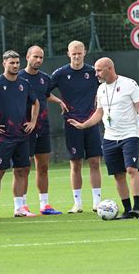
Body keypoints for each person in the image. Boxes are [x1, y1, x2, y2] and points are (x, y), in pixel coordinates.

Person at [68, 57, 139, 219]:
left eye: (98, 70)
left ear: (109, 69)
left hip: (129, 134)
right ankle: (127, 210)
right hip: (110, 137)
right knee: (118, 174)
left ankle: (137, 208)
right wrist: (84, 125)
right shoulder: (101, 89)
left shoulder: (129, 84)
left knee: (131, 169)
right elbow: (99, 113)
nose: (95, 73)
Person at [0, 50, 39, 218]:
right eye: (12, 63)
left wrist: (32, 121)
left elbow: (36, 102)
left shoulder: (24, 83)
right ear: (4, 64)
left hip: (21, 136)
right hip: (4, 137)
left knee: (21, 171)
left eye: (17, 62)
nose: (16, 65)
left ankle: (19, 208)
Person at [49, 40, 102, 213]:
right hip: (71, 123)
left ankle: (97, 202)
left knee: (95, 162)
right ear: (68, 53)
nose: (77, 56)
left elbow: (107, 87)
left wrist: (99, 102)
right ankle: (77, 203)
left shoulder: (93, 72)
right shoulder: (60, 74)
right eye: (74, 53)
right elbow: (44, 91)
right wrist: (58, 101)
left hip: (91, 122)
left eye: (79, 53)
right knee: (75, 163)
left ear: (84, 52)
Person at [18, 45, 66, 215]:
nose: (38, 60)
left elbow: (45, 94)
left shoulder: (45, 78)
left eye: (41, 57)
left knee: (43, 167)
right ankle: (21, 205)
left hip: (43, 128)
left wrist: (59, 101)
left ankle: (44, 205)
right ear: (27, 57)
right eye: (35, 57)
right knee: (24, 167)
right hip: (24, 129)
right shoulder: (18, 77)